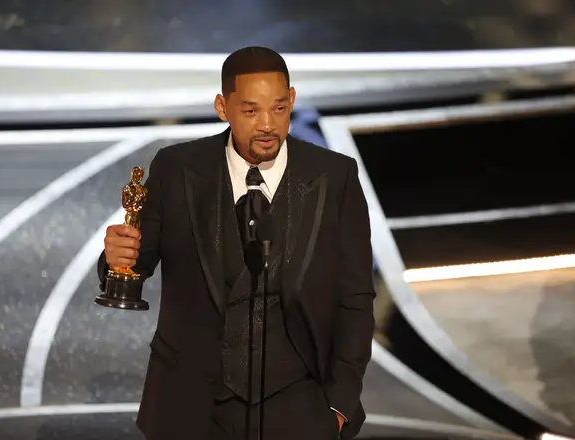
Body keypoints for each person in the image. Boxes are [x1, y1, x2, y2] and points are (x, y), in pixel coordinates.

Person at [98, 46, 375, 440]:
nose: (267, 124)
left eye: (279, 109)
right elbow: (135, 264)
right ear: (222, 107)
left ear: (292, 100)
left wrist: (338, 407)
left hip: (299, 407)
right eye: (250, 111)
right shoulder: (177, 169)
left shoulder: (335, 177)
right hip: (192, 409)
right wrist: (116, 261)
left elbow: (356, 298)